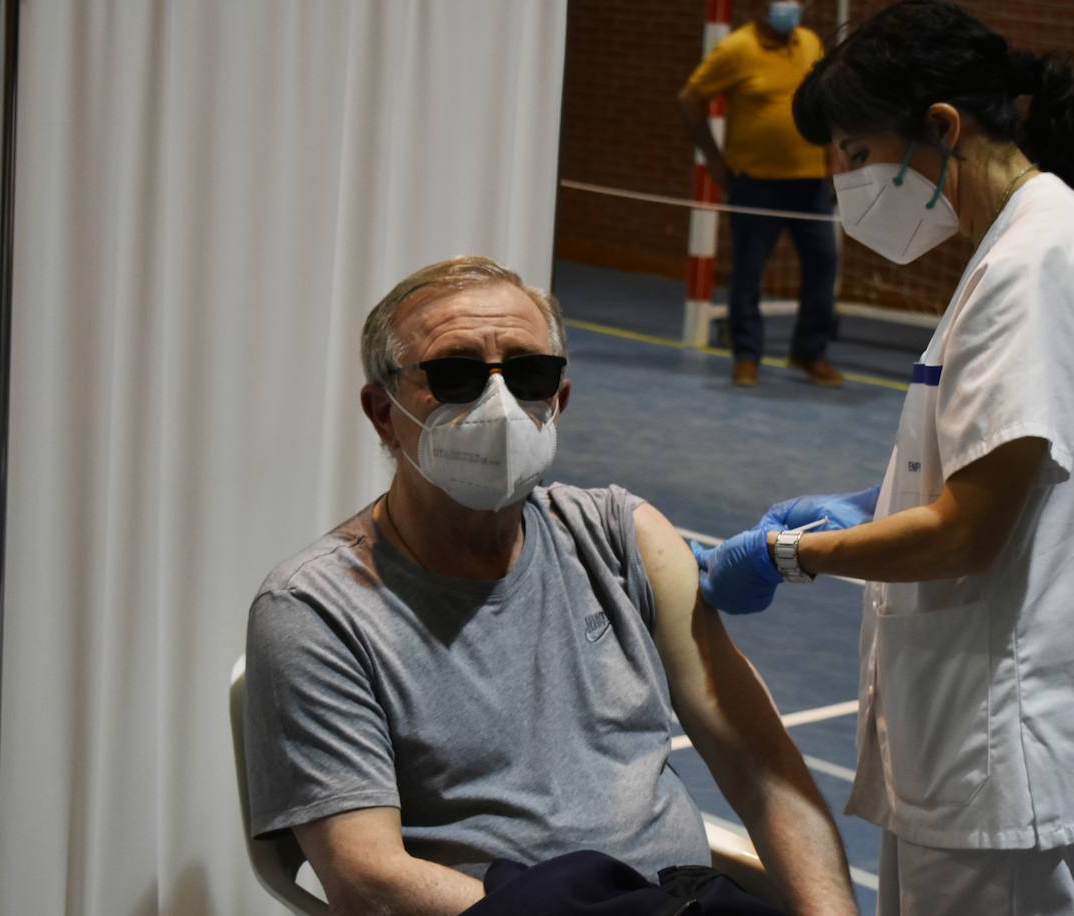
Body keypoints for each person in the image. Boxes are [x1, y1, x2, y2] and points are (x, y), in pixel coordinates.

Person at [693, 2, 1074, 913]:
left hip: (1008, 753)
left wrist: (794, 556)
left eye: (857, 153)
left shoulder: (1036, 260)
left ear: (942, 128)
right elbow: (996, 476)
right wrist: (872, 504)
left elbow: (968, 533)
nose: (848, 182)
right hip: (979, 754)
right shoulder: (1017, 247)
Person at [243, 256, 858, 916]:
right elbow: (370, 880)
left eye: (530, 374)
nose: (499, 404)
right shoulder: (316, 611)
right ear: (382, 411)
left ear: (557, 400)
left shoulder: (627, 538)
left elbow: (761, 769)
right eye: (456, 375)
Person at [679, 1, 842, 388]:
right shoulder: (736, 48)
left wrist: (835, 162)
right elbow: (689, 99)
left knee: (824, 265)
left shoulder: (810, 42)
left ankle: (809, 352)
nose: (791, 10)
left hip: (812, 185)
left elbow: (826, 106)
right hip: (756, 185)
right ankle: (747, 356)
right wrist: (717, 164)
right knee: (748, 273)